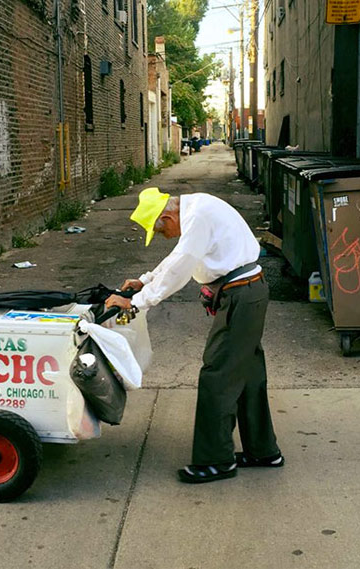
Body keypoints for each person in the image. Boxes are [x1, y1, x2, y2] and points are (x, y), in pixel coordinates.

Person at [105, 187, 283, 484]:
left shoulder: (197, 216)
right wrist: (146, 280)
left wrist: (136, 302)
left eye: (161, 231)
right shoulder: (195, 209)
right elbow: (178, 257)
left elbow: (181, 266)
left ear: (167, 215)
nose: (166, 236)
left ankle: (216, 461)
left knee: (217, 374)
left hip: (240, 296)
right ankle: (263, 452)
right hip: (247, 292)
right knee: (249, 375)